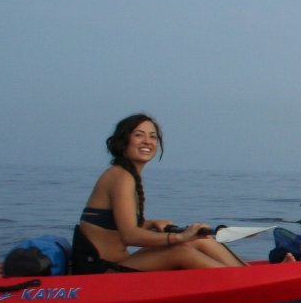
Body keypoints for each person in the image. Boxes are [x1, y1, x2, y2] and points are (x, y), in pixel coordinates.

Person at [73, 113, 245, 273]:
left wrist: (148, 224)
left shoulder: (125, 175)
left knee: (200, 239)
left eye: (152, 136)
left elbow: (114, 228)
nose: (147, 141)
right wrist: (180, 237)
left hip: (119, 262)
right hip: (101, 272)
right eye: (139, 135)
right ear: (123, 141)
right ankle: (245, 282)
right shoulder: (121, 176)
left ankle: (250, 276)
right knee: (181, 250)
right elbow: (129, 235)